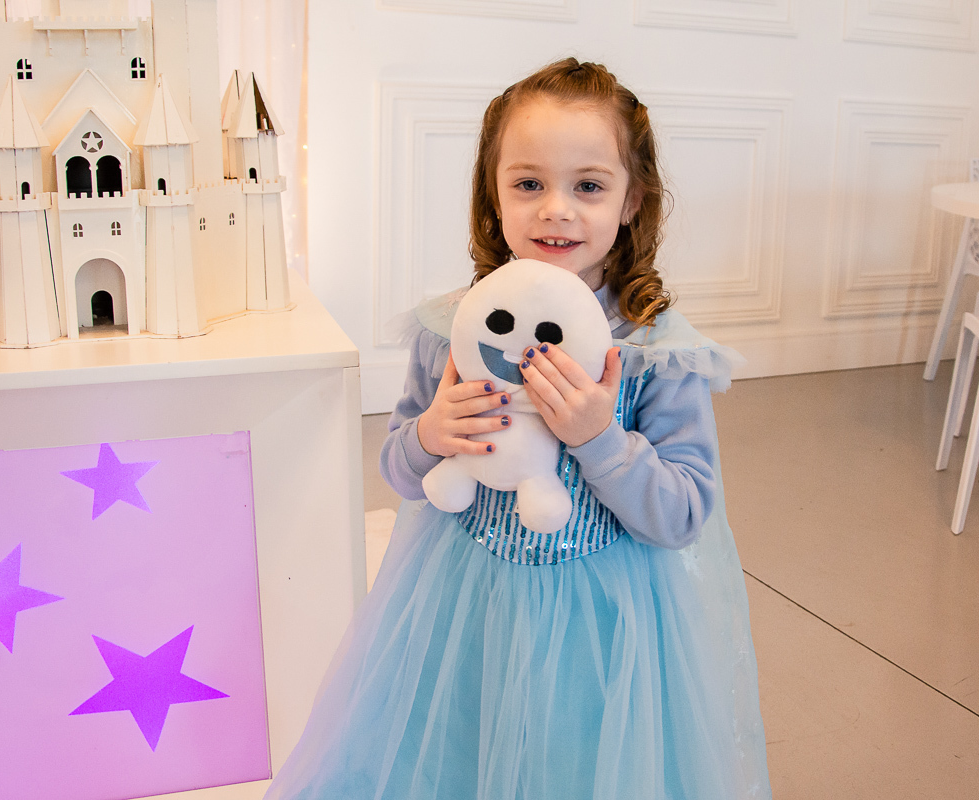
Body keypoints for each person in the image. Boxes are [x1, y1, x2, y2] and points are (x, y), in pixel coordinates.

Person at [265, 58, 771, 799]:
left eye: (588, 186)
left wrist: (600, 438)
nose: (555, 210)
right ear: (493, 195)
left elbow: (683, 513)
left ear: (632, 201)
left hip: (602, 629)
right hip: (464, 606)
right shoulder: (454, 330)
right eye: (529, 183)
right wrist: (431, 434)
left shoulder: (655, 350)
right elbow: (400, 470)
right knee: (458, 754)